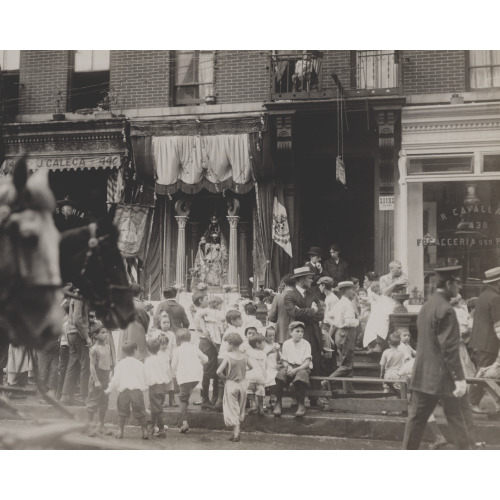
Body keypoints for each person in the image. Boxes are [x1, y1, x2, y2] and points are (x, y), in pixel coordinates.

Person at [402, 266, 473, 450]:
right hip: (443, 379)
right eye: (457, 283)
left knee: (415, 422)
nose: (459, 288)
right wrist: (459, 379)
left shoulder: (427, 306)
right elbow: (449, 349)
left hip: (423, 376)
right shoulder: (447, 309)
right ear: (449, 284)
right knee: (457, 421)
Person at [284, 266, 324, 406]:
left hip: (313, 335)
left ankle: (315, 398)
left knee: (316, 364)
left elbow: (321, 314)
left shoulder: (313, 293)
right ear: (301, 280)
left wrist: (307, 312)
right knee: (297, 363)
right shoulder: (290, 295)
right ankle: (297, 398)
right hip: (299, 336)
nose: (311, 280)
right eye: (309, 278)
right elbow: (294, 314)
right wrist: (312, 310)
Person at [468, 267, 500, 414]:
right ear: (498, 282)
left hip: (479, 341)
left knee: (483, 373)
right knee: (484, 374)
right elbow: (498, 323)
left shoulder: (484, 295)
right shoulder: (495, 298)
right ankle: (471, 403)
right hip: (489, 343)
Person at [105, 341, 149, 440]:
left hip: (123, 391)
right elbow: (145, 378)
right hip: (136, 391)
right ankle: (145, 431)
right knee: (141, 411)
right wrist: (145, 387)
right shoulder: (140, 364)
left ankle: (120, 431)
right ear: (135, 351)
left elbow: (115, 379)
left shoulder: (120, 364)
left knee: (122, 412)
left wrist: (109, 389)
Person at [321, 281, 359, 394]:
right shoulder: (346, 304)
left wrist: (337, 324)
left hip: (340, 334)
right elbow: (348, 322)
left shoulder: (341, 303)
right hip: (347, 333)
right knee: (347, 365)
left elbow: (327, 317)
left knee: (346, 363)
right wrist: (359, 321)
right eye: (352, 289)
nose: (354, 292)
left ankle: (349, 391)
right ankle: (326, 382)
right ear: (345, 291)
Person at [216, 332, 254, 442]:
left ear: (231, 344)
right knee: (240, 407)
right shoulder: (244, 356)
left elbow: (218, 371)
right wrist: (243, 372)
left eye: (227, 344)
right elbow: (251, 367)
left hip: (231, 383)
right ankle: (235, 432)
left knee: (232, 408)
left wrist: (224, 379)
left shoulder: (228, 357)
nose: (227, 346)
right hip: (242, 383)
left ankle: (236, 433)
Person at [171, 329, 208, 434]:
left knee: (182, 399)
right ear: (190, 338)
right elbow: (206, 359)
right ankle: (185, 413)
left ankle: (184, 422)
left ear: (178, 340)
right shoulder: (194, 348)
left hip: (184, 378)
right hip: (196, 377)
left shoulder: (177, 350)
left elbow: (173, 365)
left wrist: (174, 372)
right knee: (186, 395)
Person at [273, 321, 312, 418]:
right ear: (291, 333)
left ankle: (301, 404)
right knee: (280, 374)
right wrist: (288, 367)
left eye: (302, 331)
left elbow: (307, 362)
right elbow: (284, 360)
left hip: (302, 367)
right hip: (289, 367)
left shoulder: (306, 344)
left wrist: (296, 370)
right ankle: (278, 403)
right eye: (297, 331)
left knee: (301, 375)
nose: (300, 334)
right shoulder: (286, 344)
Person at [61, 296, 91, 406]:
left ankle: (66, 396)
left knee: (72, 364)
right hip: (78, 334)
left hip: (71, 333)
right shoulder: (80, 297)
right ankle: (84, 396)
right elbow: (77, 320)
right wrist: (87, 336)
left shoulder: (75, 296)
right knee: (85, 364)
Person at [192, 292, 219, 410]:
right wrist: (216, 343)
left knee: (213, 369)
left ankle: (213, 397)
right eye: (206, 298)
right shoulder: (200, 313)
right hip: (208, 342)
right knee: (208, 370)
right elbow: (206, 332)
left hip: (207, 342)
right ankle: (206, 399)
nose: (208, 300)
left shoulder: (202, 312)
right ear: (200, 301)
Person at [86, 327, 113, 437]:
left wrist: (110, 377)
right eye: (103, 333)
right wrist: (96, 381)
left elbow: (108, 363)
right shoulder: (94, 349)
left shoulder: (107, 347)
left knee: (104, 402)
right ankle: (89, 426)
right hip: (97, 377)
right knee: (93, 401)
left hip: (106, 377)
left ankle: (101, 425)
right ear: (96, 335)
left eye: (106, 332)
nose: (106, 334)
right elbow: (92, 366)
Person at [144, 339, 171, 438]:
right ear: (159, 348)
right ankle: (152, 426)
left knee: (157, 409)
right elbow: (168, 371)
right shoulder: (162, 359)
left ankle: (161, 429)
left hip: (154, 386)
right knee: (156, 407)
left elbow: (146, 374)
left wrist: (145, 384)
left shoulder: (148, 361)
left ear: (147, 350)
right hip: (162, 386)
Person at [119, 284, 149, 362]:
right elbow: (145, 320)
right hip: (136, 329)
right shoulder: (139, 304)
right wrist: (145, 330)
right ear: (140, 293)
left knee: (125, 352)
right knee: (137, 354)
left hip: (124, 329)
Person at [363, 281, 396, 353]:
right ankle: (373, 346)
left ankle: (378, 345)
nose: (378, 291)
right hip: (376, 315)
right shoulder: (375, 296)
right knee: (371, 327)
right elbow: (376, 305)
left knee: (382, 323)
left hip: (384, 314)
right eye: (376, 289)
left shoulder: (386, 297)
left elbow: (389, 305)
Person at [268, 274, 296, 344]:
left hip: (281, 332)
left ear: (284, 284)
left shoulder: (278, 297)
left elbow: (272, 317)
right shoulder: (299, 297)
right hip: (296, 331)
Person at [246, 333, 267, 416]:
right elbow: (266, 365)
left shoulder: (248, 353)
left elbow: (246, 364)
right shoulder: (263, 354)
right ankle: (260, 407)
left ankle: (253, 405)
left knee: (250, 390)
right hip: (260, 376)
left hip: (250, 375)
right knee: (260, 391)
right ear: (258, 344)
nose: (265, 344)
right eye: (264, 342)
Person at [263, 326, 280, 408]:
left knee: (274, 380)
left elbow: (279, 358)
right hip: (265, 366)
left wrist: (278, 352)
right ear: (265, 336)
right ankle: (262, 400)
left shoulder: (276, 345)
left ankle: (272, 398)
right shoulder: (263, 345)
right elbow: (261, 356)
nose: (271, 337)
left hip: (273, 366)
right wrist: (269, 352)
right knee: (264, 381)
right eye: (269, 336)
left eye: (273, 335)